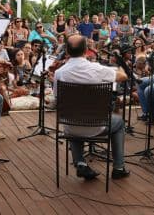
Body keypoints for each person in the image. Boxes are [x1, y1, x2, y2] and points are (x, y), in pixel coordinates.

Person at [54, 34, 130, 180]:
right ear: (86, 50)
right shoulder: (97, 69)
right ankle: (119, 167)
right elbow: (123, 76)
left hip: (71, 126)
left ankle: (81, 163)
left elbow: (58, 100)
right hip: (97, 125)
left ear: (67, 52)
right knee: (119, 123)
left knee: (73, 118)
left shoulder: (59, 73)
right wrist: (119, 66)